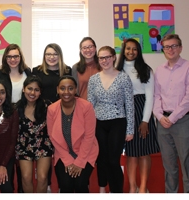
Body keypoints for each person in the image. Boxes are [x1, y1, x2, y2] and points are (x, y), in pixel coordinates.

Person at [87, 46, 134, 193]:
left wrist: (130, 130)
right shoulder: (93, 79)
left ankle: (116, 192)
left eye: (107, 57)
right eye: (101, 58)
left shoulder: (123, 77)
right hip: (99, 123)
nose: (104, 60)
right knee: (101, 159)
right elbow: (90, 105)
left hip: (117, 122)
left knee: (114, 161)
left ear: (113, 57)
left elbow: (130, 105)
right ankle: (102, 189)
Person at [117, 38, 160, 193]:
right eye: (128, 48)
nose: (131, 52)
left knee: (144, 152)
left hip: (142, 110)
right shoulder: (118, 69)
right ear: (124, 50)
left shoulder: (146, 69)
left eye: (134, 49)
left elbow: (150, 97)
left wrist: (145, 121)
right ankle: (132, 187)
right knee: (131, 152)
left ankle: (143, 188)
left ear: (139, 51)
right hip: (124, 112)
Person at [46, 75, 98, 193]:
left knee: (80, 185)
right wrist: (68, 160)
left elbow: (89, 136)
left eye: (70, 88)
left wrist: (79, 162)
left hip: (86, 152)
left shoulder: (86, 106)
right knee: (66, 185)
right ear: (57, 90)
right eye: (63, 88)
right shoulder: (51, 109)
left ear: (75, 90)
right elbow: (52, 136)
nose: (66, 92)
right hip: (63, 153)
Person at [32, 43, 71, 192]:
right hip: (42, 117)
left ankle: (62, 186)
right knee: (46, 152)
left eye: (55, 54)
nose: (51, 57)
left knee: (62, 151)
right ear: (44, 56)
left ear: (59, 56)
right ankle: (46, 185)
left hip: (63, 116)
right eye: (48, 54)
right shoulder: (36, 71)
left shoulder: (67, 71)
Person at [0, 43, 31, 192]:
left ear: (20, 57)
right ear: (5, 58)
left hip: (24, 119)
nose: (13, 59)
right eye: (9, 56)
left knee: (22, 159)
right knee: (8, 157)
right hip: (6, 120)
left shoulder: (28, 72)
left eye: (15, 56)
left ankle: (22, 191)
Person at [153, 34, 189, 193]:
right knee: (169, 167)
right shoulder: (159, 70)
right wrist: (160, 116)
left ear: (180, 48)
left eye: (174, 46)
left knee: (186, 165)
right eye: (167, 47)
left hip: (182, 122)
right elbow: (156, 96)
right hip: (163, 124)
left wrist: (172, 118)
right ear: (163, 50)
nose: (170, 49)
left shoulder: (188, 67)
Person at [15, 75, 53, 193]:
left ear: (40, 92)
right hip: (23, 146)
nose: (32, 92)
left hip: (43, 145)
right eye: (29, 88)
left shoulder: (48, 106)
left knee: (42, 177)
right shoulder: (16, 108)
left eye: (36, 90)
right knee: (26, 178)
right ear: (23, 89)